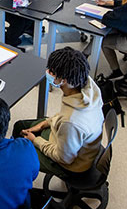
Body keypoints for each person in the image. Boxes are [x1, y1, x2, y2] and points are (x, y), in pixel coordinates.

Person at [13, 47, 105, 177]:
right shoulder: (87, 87)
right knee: (20, 126)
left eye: (52, 72)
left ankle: (17, 176)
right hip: (74, 143)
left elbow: (64, 158)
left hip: (70, 165)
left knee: (21, 148)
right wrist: (44, 123)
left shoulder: (71, 122)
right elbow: (64, 116)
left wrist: (36, 140)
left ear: (64, 80)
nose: (48, 72)